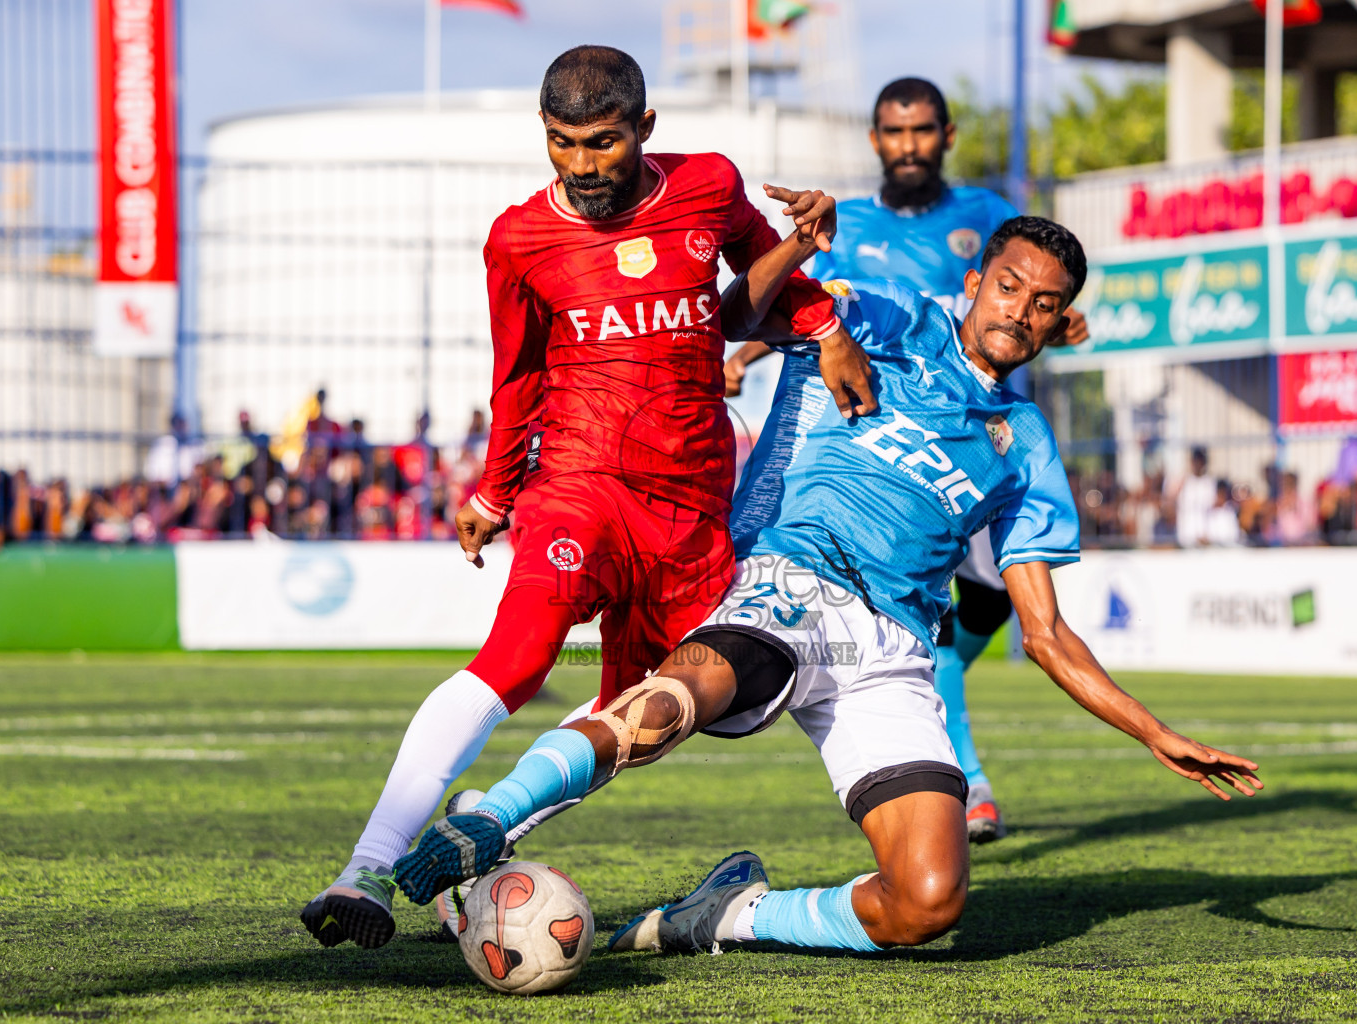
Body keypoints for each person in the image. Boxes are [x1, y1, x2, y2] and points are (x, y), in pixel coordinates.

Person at [395, 216, 1263, 957]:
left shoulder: (1027, 443)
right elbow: (742, 312)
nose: (1019, 313)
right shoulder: (895, 321)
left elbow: (1044, 632)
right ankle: (485, 822)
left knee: (929, 900)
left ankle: (729, 914)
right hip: (791, 577)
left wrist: (1154, 732)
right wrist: (798, 255)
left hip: (890, 652)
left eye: (1043, 304)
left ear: (1059, 318)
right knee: (672, 702)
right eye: (1007, 288)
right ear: (975, 282)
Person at [300, 44, 876, 951]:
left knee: (643, 712)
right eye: (563, 143)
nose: (582, 164)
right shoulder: (519, 238)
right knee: (519, 655)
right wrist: (496, 491)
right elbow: (517, 375)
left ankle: (481, 823)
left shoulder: (709, 186)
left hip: (690, 507)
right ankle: (368, 864)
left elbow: (756, 287)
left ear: (644, 129)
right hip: (581, 485)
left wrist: (823, 318)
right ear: (546, 135)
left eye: (602, 143)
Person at [723, 78, 1087, 843]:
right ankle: (970, 779)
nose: (908, 145)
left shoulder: (986, 216)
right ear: (875, 141)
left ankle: (945, 739)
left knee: (985, 611)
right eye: (893, 132)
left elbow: (1035, 278)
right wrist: (753, 354)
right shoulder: (848, 223)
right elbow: (821, 302)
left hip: (973, 438)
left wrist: (1057, 314)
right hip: (872, 435)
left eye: (921, 130)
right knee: (930, 614)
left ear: (945, 135)